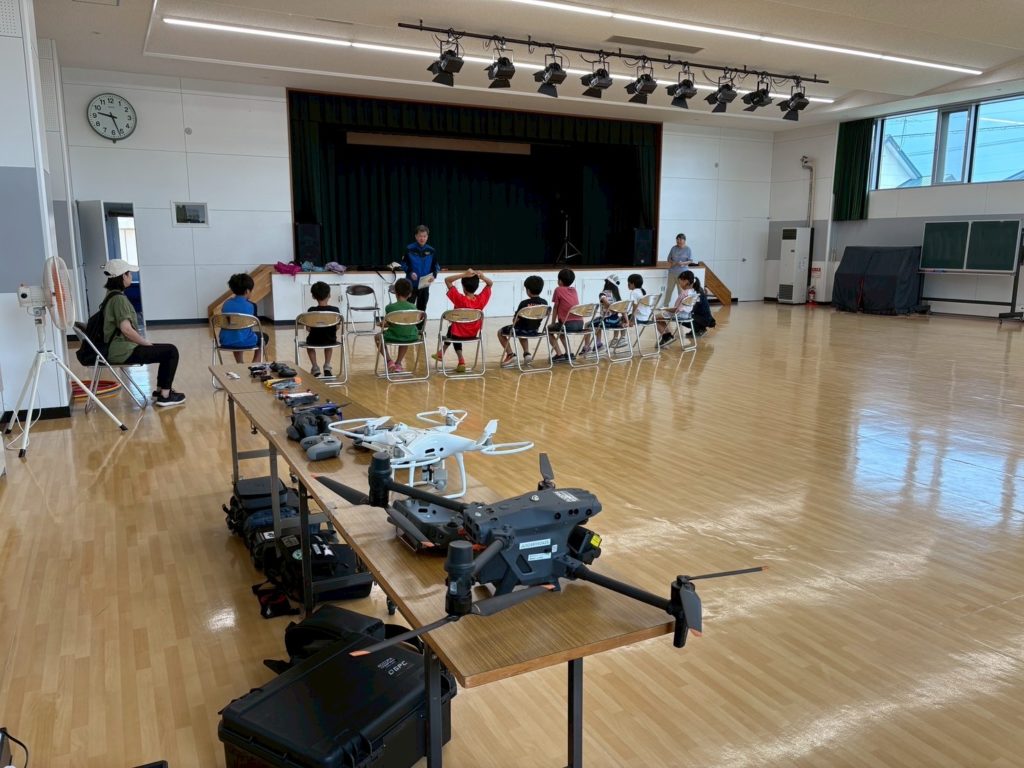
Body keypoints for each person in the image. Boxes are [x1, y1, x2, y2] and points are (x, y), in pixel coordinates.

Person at [100, 259, 186, 407]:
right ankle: (165, 396)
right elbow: (126, 329)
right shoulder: (119, 299)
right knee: (171, 351)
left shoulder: (110, 296)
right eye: (129, 273)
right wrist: (145, 343)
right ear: (123, 276)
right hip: (122, 351)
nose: (131, 276)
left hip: (117, 349)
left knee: (166, 350)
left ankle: (160, 392)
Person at [432, 269, 492, 373]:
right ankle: (442, 353)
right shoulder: (481, 300)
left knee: (453, 330)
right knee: (453, 328)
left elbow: (447, 280)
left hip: (458, 334)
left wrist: (464, 274)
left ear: (463, 287)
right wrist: (483, 277)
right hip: (473, 334)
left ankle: (460, 360)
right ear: (477, 286)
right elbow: (490, 284)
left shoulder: (460, 299)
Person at [498, 275, 547, 368]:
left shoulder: (524, 303)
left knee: (500, 332)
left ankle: (510, 354)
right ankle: (526, 353)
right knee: (522, 329)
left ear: (528, 290)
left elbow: (515, 320)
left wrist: (515, 320)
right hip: (534, 331)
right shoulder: (544, 303)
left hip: (522, 330)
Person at [219, 273, 269, 363]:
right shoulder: (252, 306)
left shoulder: (226, 304)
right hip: (245, 341)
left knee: (236, 333)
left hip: (226, 340)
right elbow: (254, 323)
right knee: (263, 337)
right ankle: (254, 364)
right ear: (247, 291)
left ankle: (240, 363)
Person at [657, 270, 715, 346]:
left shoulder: (686, 293)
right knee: (686, 316)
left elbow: (677, 309)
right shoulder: (695, 291)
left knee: (657, 317)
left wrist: (665, 308)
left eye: (680, 282)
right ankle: (697, 328)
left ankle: (667, 336)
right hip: (690, 315)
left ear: (686, 281)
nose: (679, 284)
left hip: (697, 318)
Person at [377, 278, 418, 374]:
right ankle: (398, 363)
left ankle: (389, 361)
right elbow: (409, 323)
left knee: (377, 337)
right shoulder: (413, 307)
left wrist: (382, 324)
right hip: (411, 337)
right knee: (405, 335)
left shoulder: (390, 308)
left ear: (395, 292)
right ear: (410, 294)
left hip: (394, 336)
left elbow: (390, 323)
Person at [401, 224, 439, 322]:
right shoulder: (409, 249)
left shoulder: (431, 250)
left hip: (424, 284)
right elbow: (403, 264)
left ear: (427, 237)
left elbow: (436, 266)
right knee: (409, 307)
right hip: (411, 285)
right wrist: (410, 272)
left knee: (422, 309)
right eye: (420, 236)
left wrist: (434, 275)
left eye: (424, 236)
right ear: (416, 236)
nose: (422, 238)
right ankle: (408, 327)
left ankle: (420, 328)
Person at [304, 281, 341, 377]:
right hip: (330, 340)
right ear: (329, 295)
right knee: (328, 344)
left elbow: (308, 328)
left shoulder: (311, 310)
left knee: (309, 346)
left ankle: (315, 367)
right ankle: (327, 365)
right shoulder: (335, 310)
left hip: (313, 340)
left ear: (313, 296)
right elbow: (337, 327)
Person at [547, 268, 581, 363]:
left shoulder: (558, 290)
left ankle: (559, 354)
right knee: (561, 330)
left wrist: (552, 323)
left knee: (548, 330)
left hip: (568, 325)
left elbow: (555, 308)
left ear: (560, 281)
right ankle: (569, 353)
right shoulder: (574, 290)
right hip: (580, 324)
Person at [663, 233, 693, 307]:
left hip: (683, 274)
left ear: (684, 240)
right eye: (677, 240)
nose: (678, 241)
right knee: (669, 289)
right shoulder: (673, 248)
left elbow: (690, 260)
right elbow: (668, 259)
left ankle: (681, 306)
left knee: (681, 291)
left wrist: (683, 263)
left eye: (680, 240)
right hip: (672, 272)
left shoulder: (688, 249)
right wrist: (674, 262)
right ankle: (665, 305)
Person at [623, 273, 654, 342]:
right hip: (647, 318)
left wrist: (631, 320)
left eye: (628, 283)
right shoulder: (643, 291)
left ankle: (622, 338)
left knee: (621, 319)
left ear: (633, 284)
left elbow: (635, 307)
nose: (627, 285)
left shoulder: (634, 292)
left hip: (638, 319)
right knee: (626, 317)